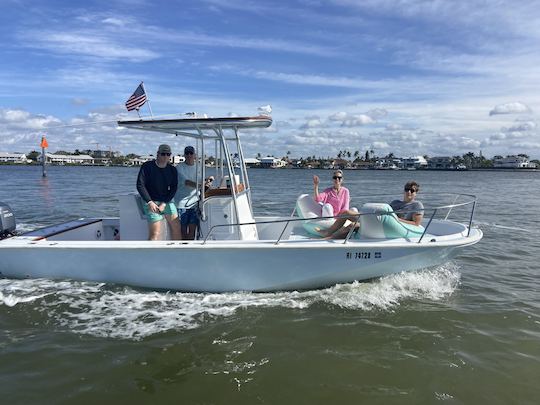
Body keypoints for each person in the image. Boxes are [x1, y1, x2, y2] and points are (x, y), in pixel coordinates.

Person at [320, 181, 424, 239]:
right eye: (407, 189)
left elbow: (416, 223)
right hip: (384, 222)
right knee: (346, 213)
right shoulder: (395, 202)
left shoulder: (417, 205)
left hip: (397, 226)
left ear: (416, 193)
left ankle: (328, 239)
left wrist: (396, 219)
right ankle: (328, 233)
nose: (409, 192)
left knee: (354, 225)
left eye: (412, 190)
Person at [136, 144, 181, 240]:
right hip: (151, 202)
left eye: (168, 154)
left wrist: (164, 203)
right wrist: (149, 202)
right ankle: (152, 254)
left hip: (166, 201)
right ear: (158, 154)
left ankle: (177, 253)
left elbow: (173, 188)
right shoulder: (147, 167)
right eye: (163, 154)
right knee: (155, 233)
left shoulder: (172, 170)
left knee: (177, 228)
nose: (165, 157)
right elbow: (140, 185)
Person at [175, 145, 199, 239]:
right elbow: (186, 182)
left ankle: (191, 252)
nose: (189, 155)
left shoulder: (199, 167)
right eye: (187, 153)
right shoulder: (179, 168)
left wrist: (208, 180)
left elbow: (201, 180)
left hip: (195, 204)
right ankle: (183, 252)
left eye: (191, 153)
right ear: (184, 155)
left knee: (192, 232)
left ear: (194, 155)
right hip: (181, 204)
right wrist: (201, 186)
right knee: (183, 233)